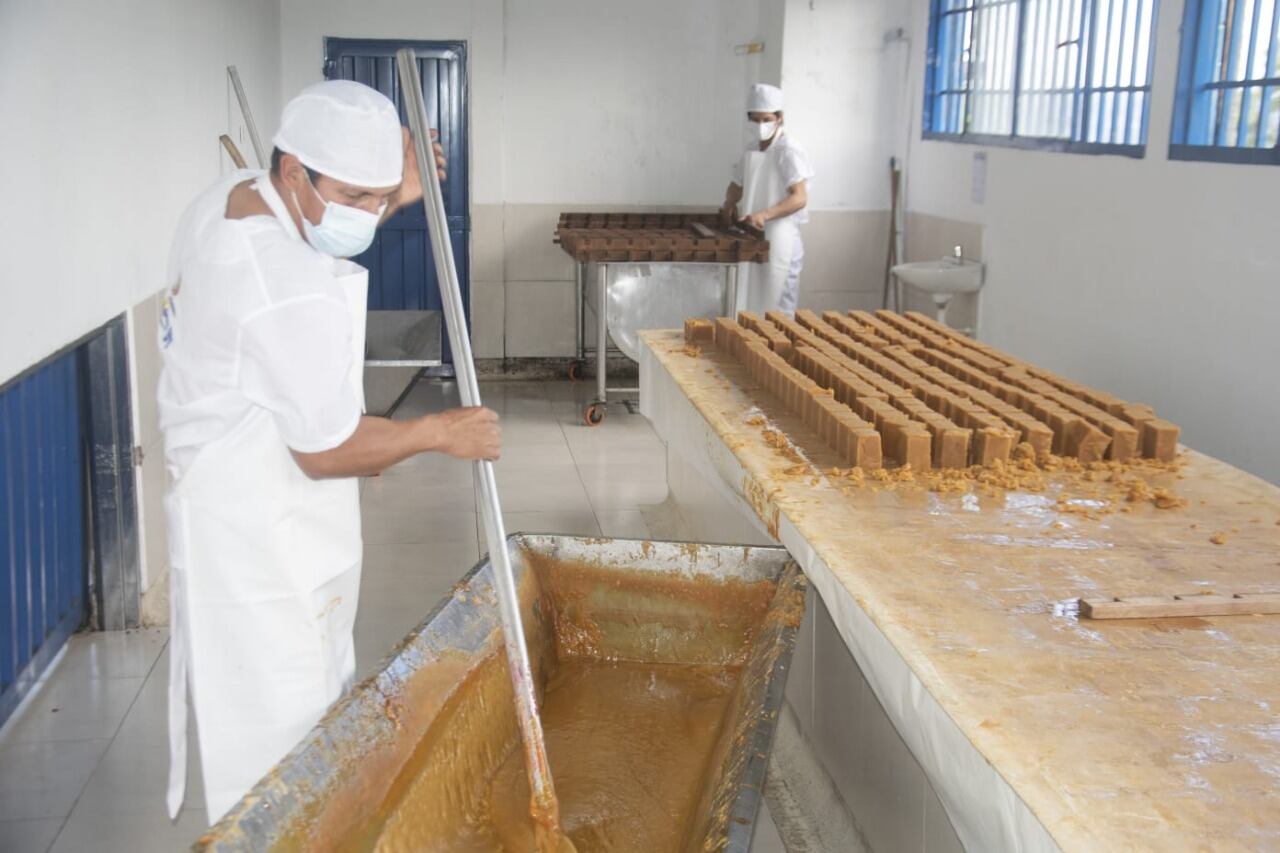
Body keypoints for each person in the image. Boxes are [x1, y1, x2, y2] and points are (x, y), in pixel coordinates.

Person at [157, 80, 501, 823]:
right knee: (279, 747)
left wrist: (381, 192)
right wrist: (440, 432)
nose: (369, 215)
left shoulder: (230, 198)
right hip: (257, 546)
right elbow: (329, 447)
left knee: (298, 719)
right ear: (293, 172)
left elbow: (321, 230)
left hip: (230, 500)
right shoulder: (282, 282)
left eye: (380, 198)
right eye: (355, 195)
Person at [719, 83, 814, 316]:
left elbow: (799, 197)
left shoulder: (787, 150)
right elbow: (737, 184)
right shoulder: (752, 148)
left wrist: (764, 214)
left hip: (781, 238)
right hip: (754, 236)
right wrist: (728, 205)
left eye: (766, 119)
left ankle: (777, 352)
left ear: (779, 118)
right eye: (755, 120)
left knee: (777, 308)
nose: (760, 126)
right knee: (751, 301)